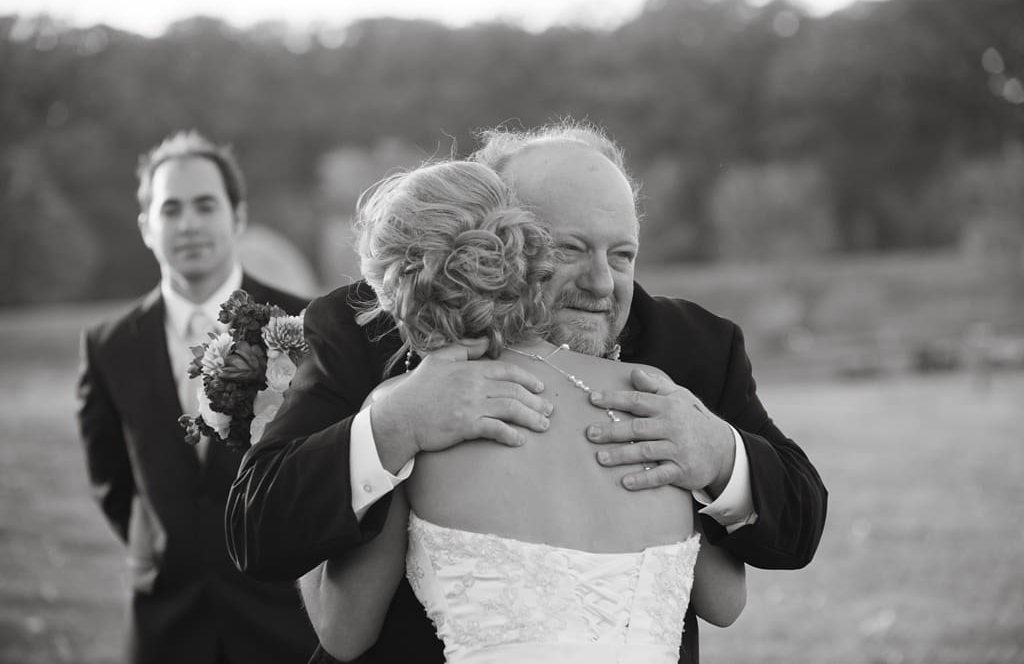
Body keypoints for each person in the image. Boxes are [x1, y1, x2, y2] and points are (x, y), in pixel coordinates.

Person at [225, 122, 828, 664]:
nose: (601, 283)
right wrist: (391, 429)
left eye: (623, 255)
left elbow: (800, 524)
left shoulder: (695, 347)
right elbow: (257, 529)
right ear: (500, 241)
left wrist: (721, 455)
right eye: (570, 248)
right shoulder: (369, 329)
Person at [297, 159, 746, 663]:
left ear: (398, 290)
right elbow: (725, 601)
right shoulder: (654, 398)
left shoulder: (412, 415)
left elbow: (344, 631)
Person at [76, 130, 317, 664]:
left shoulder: (304, 325)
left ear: (236, 217)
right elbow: (112, 480)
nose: (188, 224)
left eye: (205, 205)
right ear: (147, 226)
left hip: (286, 623)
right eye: (171, 209)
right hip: (167, 627)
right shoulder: (108, 346)